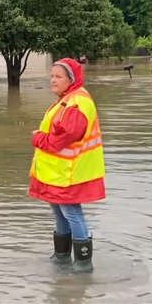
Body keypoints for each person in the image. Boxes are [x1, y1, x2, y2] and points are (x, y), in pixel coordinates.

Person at [29, 58, 106, 273]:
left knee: (71, 211)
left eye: (58, 77)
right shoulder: (68, 99)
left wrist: (37, 137)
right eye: (52, 76)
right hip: (58, 171)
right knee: (59, 210)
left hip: (70, 171)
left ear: (71, 79)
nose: (53, 80)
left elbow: (60, 139)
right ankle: (62, 256)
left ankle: (83, 262)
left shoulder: (77, 103)